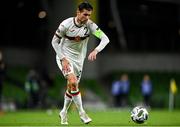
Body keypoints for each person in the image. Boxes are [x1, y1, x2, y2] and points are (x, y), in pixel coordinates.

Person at [51, 2, 109, 125]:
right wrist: (62, 58)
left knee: (71, 87)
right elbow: (54, 42)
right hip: (64, 58)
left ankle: (63, 112)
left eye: (89, 15)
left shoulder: (90, 25)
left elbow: (105, 39)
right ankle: (82, 113)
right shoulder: (66, 25)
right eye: (85, 14)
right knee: (73, 82)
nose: (87, 17)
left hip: (78, 61)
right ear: (78, 12)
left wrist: (96, 50)